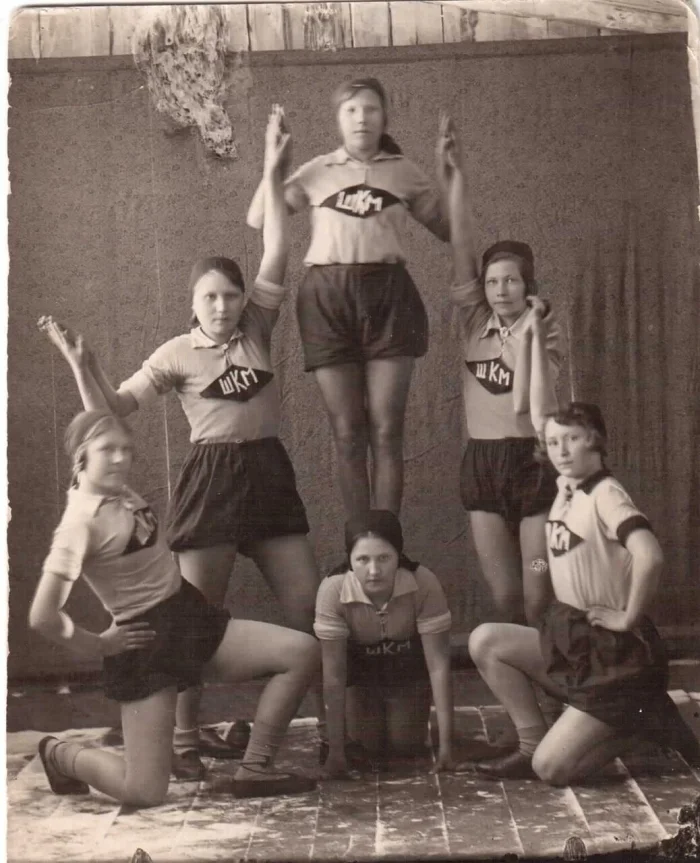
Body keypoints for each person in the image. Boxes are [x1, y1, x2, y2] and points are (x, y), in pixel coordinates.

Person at [37, 107, 321, 779]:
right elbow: (111, 414)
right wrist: (84, 365)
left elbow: (277, 250)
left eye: (230, 295)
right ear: (192, 304)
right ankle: (187, 741)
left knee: (310, 611)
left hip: (269, 474)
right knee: (194, 622)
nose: (222, 306)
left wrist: (271, 168)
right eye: (210, 298)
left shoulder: (257, 327)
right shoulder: (174, 353)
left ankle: (321, 734)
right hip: (212, 480)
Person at [29, 409, 320, 806]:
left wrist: (87, 377)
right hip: (147, 645)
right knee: (143, 792)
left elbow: (101, 416)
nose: (120, 458)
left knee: (302, 651)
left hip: (189, 617)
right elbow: (43, 615)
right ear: (81, 456)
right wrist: (99, 644)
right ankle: (59, 754)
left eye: (126, 449)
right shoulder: (78, 524)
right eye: (108, 450)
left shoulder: (114, 488)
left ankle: (255, 769)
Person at [465, 402, 700, 781]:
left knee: (551, 769)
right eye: (553, 442)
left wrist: (628, 617)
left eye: (571, 439)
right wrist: (535, 570)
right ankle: (531, 743)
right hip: (575, 640)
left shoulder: (606, 494)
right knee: (486, 641)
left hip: (617, 654)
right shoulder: (565, 488)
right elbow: (557, 558)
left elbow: (650, 556)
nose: (560, 450)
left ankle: (644, 726)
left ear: (595, 440)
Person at [247, 78, 449, 516]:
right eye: (351, 110)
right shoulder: (319, 170)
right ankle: (359, 542)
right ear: (338, 119)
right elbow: (258, 216)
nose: (361, 118)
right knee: (347, 432)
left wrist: (450, 177)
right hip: (328, 300)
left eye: (371, 109)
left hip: (389, 298)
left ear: (385, 117)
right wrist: (273, 163)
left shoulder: (403, 171)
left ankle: (387, 541)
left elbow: (450, 230)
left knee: (387, 431)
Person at [439, 114, 563, 629]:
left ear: (528, 285)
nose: (500, 290)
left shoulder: (546, 329)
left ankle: (549, 666)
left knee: (537, 589)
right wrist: (456, 179)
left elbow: (539, 406)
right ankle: (525, 671)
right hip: (484, 463)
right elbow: (461, 247)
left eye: (511, 281)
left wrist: (531, 332)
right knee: (506, 596)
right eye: (492, 282)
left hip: (532, 462)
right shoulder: (474, 321)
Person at [314, 510, 455, 777]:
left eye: (384, 558)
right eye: (362, 559)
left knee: (405, 745)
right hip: (360, 678)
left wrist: (448, 747)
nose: (374, 571)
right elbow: (333, 676)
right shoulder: (333, 590)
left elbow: (438, 666)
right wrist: (336, 753)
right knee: (367, 746)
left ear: (398, 555)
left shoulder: (423, 582)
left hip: (407, 674)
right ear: (349, 559)